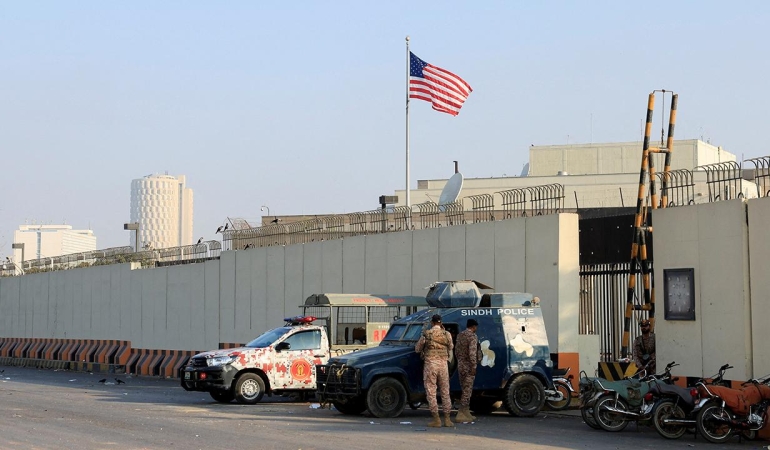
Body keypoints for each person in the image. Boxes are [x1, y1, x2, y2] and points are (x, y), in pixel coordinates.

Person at [415, 313, 454, 428]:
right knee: (445, 392)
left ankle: (436, 419)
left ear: (432, 323)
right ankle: (447, 419)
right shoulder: (447, 334)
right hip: (443, 366)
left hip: (430, 366)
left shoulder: (427, 334)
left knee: (431, 391)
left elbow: (417, 349)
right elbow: (451, 347)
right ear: (441, 323)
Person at [454, 318, 481, 423]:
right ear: (473, 327)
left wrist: (460, 361)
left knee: (464, 388)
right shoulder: (472, 337)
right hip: (469, 366)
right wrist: (474, 366)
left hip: (461, 365)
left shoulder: (460, 335)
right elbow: (472, 353)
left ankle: (466, 412)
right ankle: (461, 412)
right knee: (467, 390)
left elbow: (456, 350)